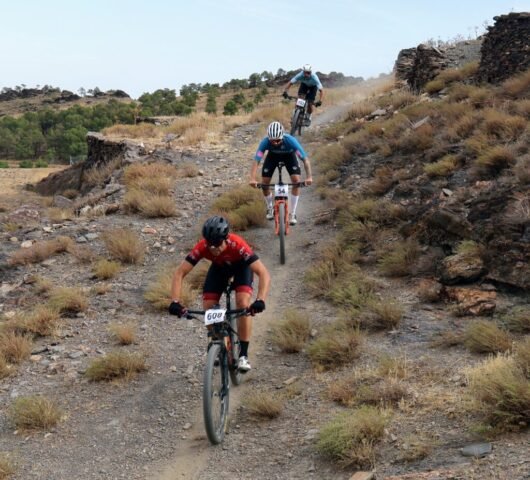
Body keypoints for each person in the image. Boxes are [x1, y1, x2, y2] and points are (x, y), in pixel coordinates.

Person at [168, 216, 270, 372]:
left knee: (243, 303)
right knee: (208, 306)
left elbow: (263, 273)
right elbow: (179, 273)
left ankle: (243, 354)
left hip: (241, 268)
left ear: (226, 238)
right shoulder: (202, 247)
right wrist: (175, 301)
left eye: (217, 244)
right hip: (219, 269)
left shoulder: (238, 245)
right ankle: (216, 342)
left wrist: (260, 300)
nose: (213, 248)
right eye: (210, 244)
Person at [249, 121, 312, 226]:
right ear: (269, 138)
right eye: (272, 141)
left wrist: (309, 177)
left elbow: (305, 159)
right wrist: (252, 178)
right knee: (265, 183)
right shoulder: (265, 142)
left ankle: (293, 213)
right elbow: (256, 160)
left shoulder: (291, 141)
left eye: (278, 140)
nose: (275, 143)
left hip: (289, 156)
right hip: (272, 157)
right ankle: (270, 207)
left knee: (296, 181)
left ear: (282, 137)